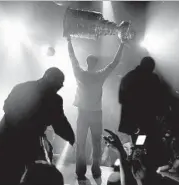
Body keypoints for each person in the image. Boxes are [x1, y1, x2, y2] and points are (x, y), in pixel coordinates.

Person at [0, 67, 75, 185]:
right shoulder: (54, 99)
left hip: (6, 133)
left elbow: (6, 106)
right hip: (27, 139)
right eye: (59, 84)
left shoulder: (22, 87)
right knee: (22, 174)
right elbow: (59, 123)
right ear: (49, 78)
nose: (59, 88)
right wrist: (71, 137)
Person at [67, 35, 126, 181]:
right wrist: (122, 44)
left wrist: (69, 41)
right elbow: (114, 62)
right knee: (96, 142)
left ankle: (80, 171)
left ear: (87, 63)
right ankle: (96, 169)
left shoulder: (79, 73)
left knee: (81, 142)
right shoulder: (100, 75)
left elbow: (72, 57)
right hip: (96, 113)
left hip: (82, 112)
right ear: (96, 64)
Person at [118, 57, 165, 185]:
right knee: (143, 145)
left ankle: (137, 172)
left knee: (138, 143)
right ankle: (139, 173)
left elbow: (121, 99)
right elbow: (159, 98)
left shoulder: (128, 77)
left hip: (133, 121)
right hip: (145, 121)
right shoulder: (151, 78)